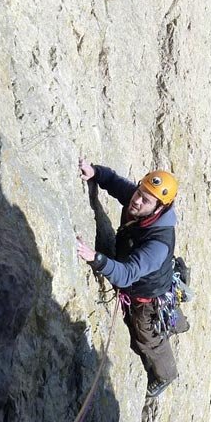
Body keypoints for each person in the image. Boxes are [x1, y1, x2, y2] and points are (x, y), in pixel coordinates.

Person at [76, 158, 187, 398]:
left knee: (146, 340)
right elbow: (116, 184)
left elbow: (125, 276)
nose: (136, 200)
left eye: (145, 199)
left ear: (160, 207)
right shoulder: (144, 205)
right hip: (154, 279)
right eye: (139, 192)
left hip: (146, 298)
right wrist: (96, 172)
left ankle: (166, 375)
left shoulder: (158, 242)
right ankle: (177, 323)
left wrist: (96, 258)